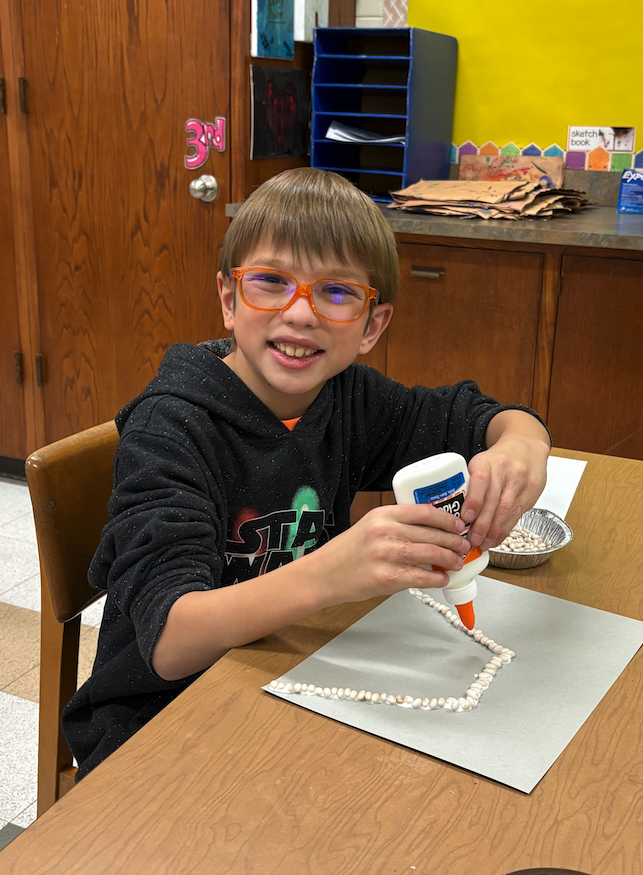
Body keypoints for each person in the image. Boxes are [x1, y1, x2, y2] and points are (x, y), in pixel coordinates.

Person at [62, 167, 550, 779]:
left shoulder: (346, 399)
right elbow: (168, 642)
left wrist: (521, 448)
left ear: (372, 326)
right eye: (270, 282)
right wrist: (335, 571)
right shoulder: (172, 427)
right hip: (156, 728)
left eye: (337, 292)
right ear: (228, 299)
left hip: (290, 682)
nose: (300, 315)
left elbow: (482, 418)